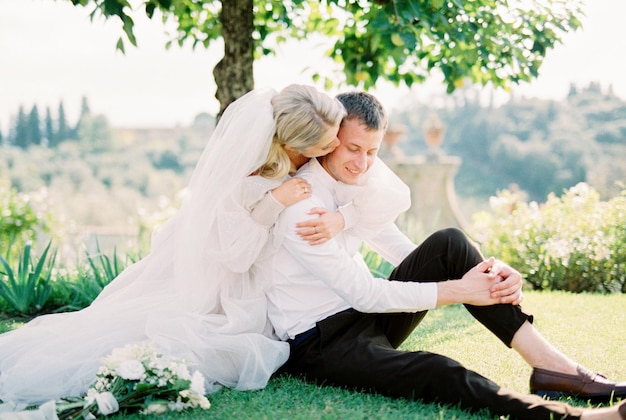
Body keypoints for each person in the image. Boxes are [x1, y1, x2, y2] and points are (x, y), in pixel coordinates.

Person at [259, 91, 626, 420]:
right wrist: (461, 290)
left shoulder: (353, 186)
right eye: (353, 149)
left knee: (449, 241)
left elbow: (406, 251)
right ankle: (582, 418)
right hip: (322, 343)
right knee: (436, 371)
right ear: (328, 141)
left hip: (362, 318)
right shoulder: (302, 207)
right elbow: (365, 293)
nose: (363, 163)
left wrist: (487, 271)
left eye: (372, 151)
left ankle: (553, 368)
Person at [0, 84, 365, 405]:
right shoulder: (248, 181)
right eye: (325, 143)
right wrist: (274, 202)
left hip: (265, 279)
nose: (335, 146)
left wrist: (343, 218)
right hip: (221, 282)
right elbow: (237, 256)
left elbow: (376, 195)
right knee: (168, 339)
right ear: (290, 146)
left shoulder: (313, 154)